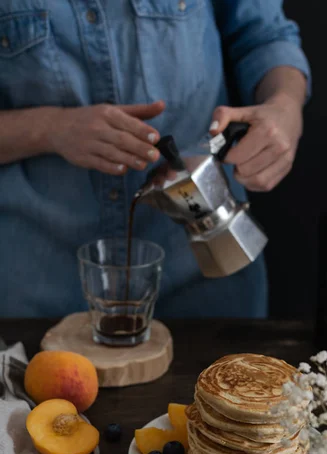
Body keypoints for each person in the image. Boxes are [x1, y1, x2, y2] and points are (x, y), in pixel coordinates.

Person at [0, 1, 310, 319]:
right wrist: (50, 129)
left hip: (202, 280)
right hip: (38, 282)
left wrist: (284, 106)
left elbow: (265, 36)